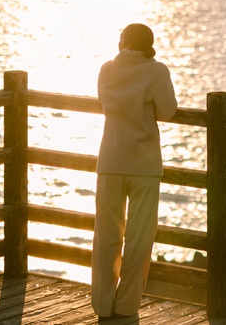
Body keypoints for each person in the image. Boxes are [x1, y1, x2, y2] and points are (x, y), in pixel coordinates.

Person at [91, 23, 178, 319]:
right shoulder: (157, 71)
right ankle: (126, 305)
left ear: (125, 42)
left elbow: (105, 104)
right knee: (139, 237)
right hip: (143, 165)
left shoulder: (106, 70)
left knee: (106, 236)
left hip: (110, 162)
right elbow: (167, 110)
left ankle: (102, 304)